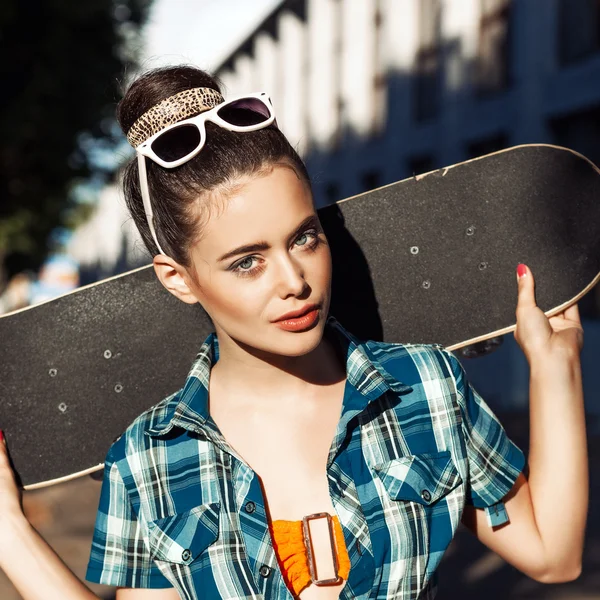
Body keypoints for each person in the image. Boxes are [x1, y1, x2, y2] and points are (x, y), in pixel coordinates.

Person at [0, 66, 587, 600]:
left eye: (304, 237)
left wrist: (555, 366)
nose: (295, 281)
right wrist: (10, 536)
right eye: (246, 261)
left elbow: (551, 556)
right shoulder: (150, 458)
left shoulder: (423, 388)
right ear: (178, 279)